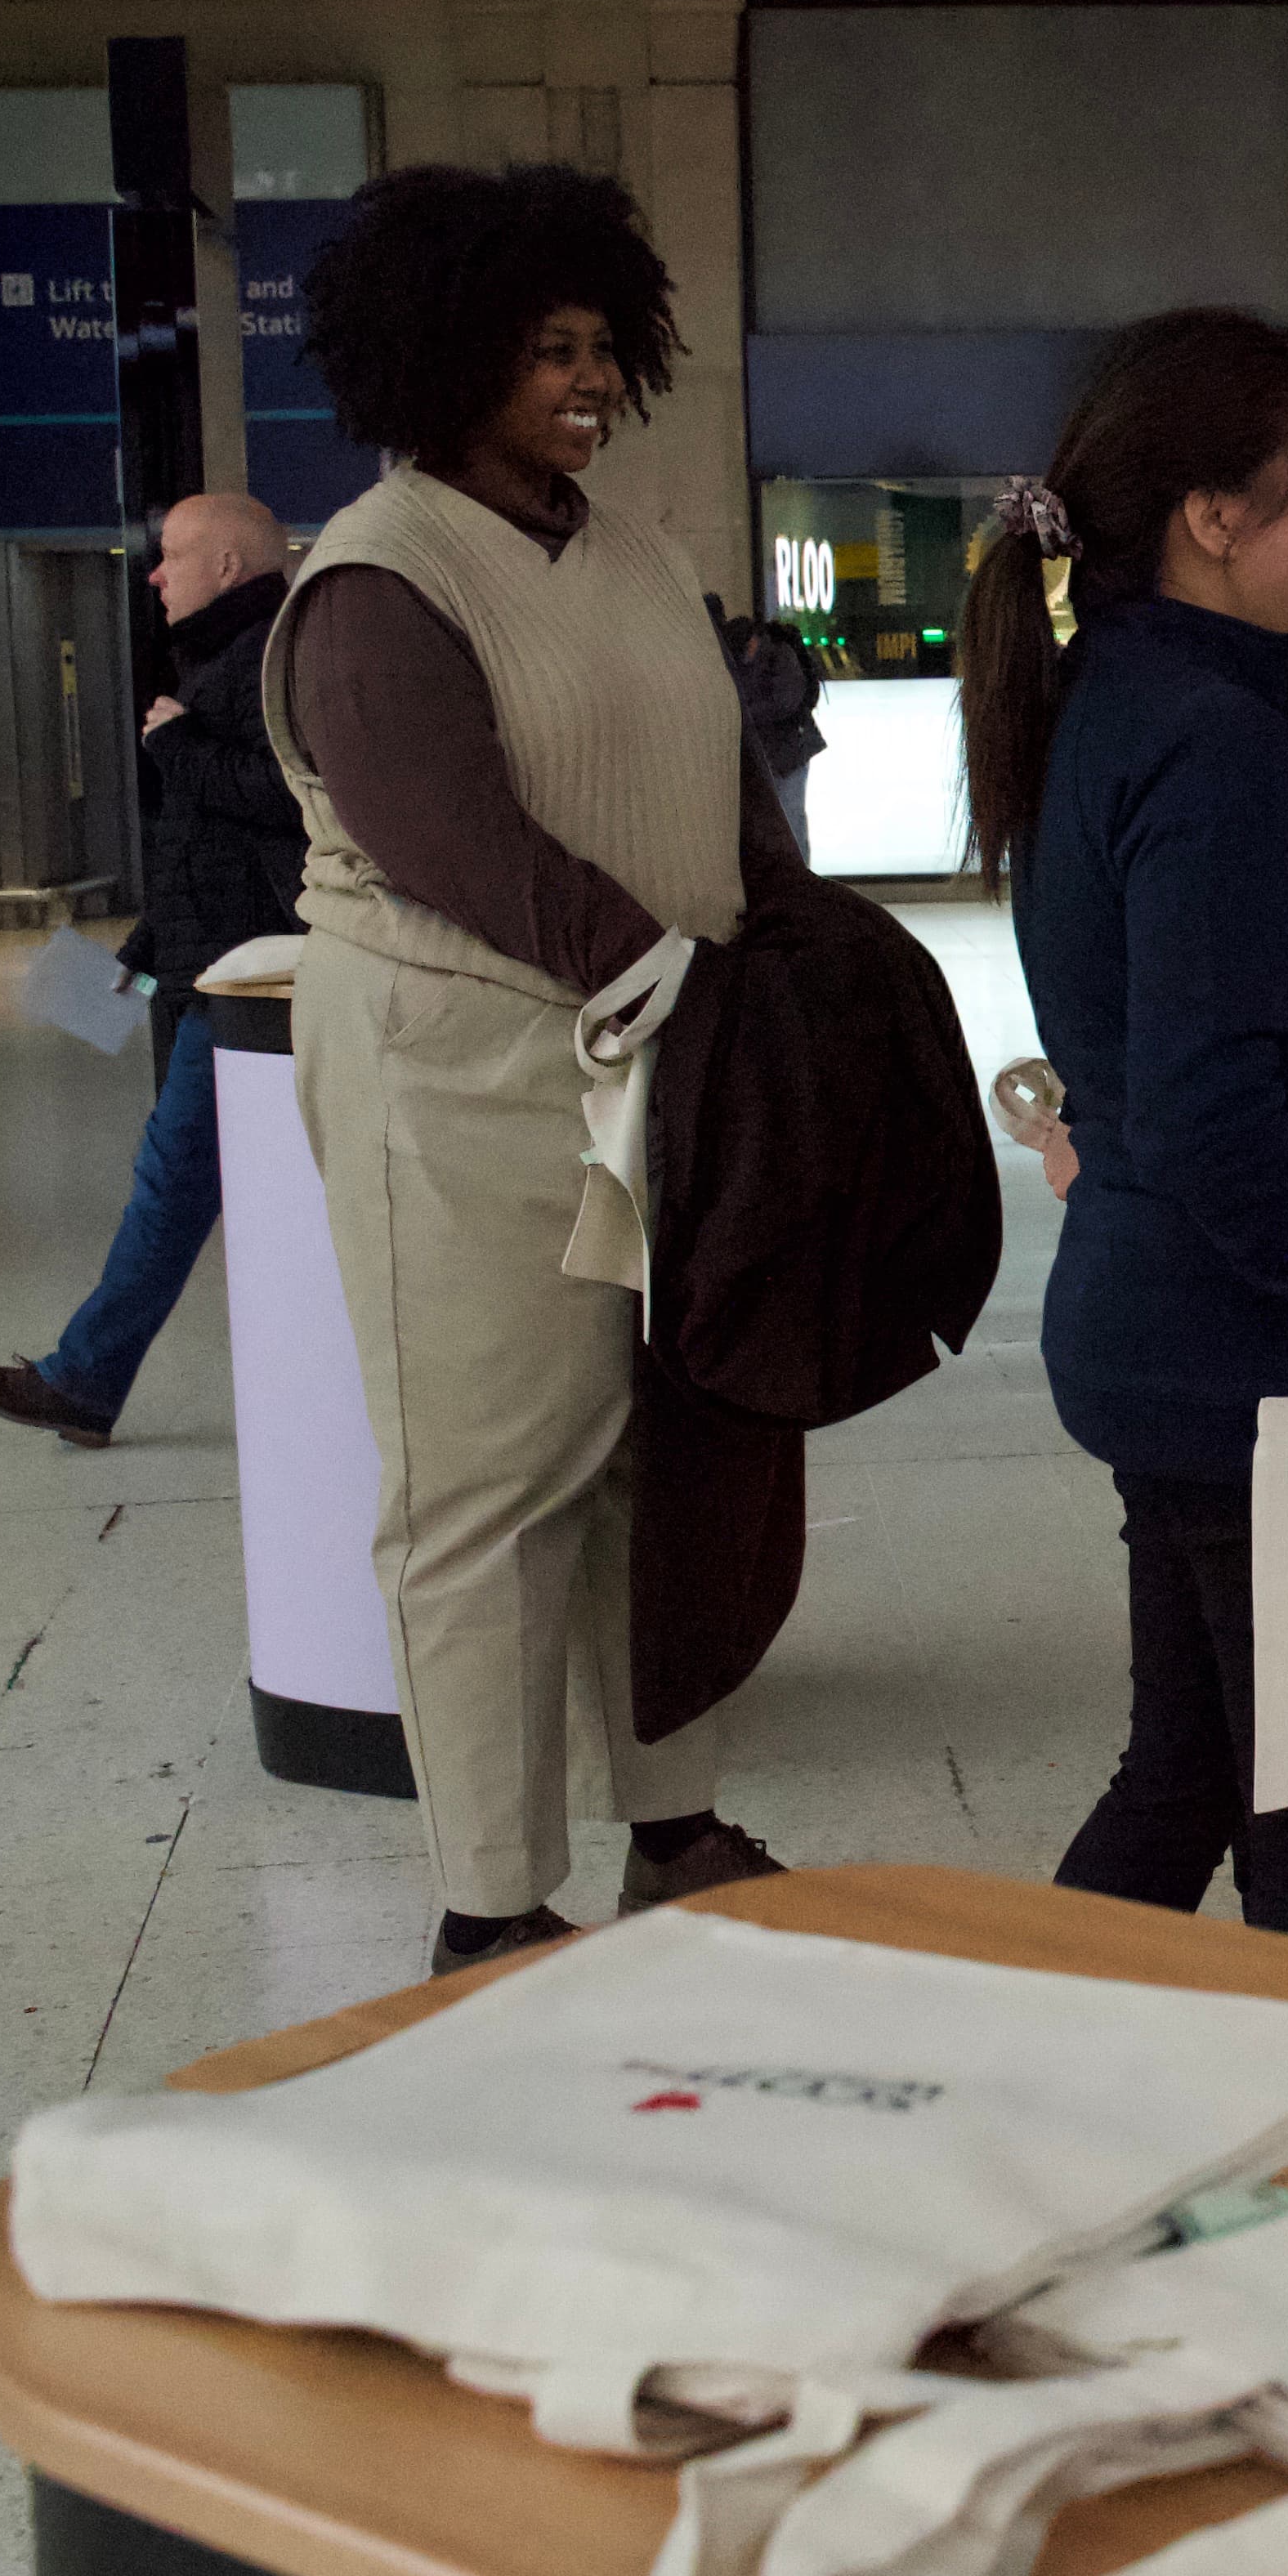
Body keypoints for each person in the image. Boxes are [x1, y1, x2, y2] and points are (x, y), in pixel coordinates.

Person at [265, 163, 804, 1973]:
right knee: (489, 1486)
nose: (587, 382)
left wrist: (780, 944)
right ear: (437, 358)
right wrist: (661, 964)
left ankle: (675, 1822)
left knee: (666, 1458)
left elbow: (718, 783)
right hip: (462, 1072)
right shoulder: (377, 574)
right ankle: (491, 1895)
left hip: (662, 1067)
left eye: (600, 348)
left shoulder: (634, 550)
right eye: (544, 350)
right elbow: (452, 835)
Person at [964, 309, 1288, 1957]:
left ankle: (1036, 2106)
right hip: (1265, 1365)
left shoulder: (1123, 704)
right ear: (1213, 515)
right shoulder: (1214, 747)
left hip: (1183, 1342)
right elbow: (1207, 1106)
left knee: (1187, 1775)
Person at [0, 494, 306, 1447]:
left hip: (249, 986)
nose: (155, 573)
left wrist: (176, 746)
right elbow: (210, 845)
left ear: (230, 566)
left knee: (174, 1181)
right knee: (182, 1182)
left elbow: (296, 800)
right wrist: (145, 953)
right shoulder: (229, 659)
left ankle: (85, 1380)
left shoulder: (270, 659)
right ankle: (89, 1380)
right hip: (214, 973)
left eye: (174, 555)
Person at [716, 597, 827, 861]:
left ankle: (800, 880)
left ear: (754, 640)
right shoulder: (752, 661)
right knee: (784, 820)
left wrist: (746, 713)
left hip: (788, 754)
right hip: (774, 754)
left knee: (790, 817)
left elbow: (785, 701)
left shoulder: (780, 655)